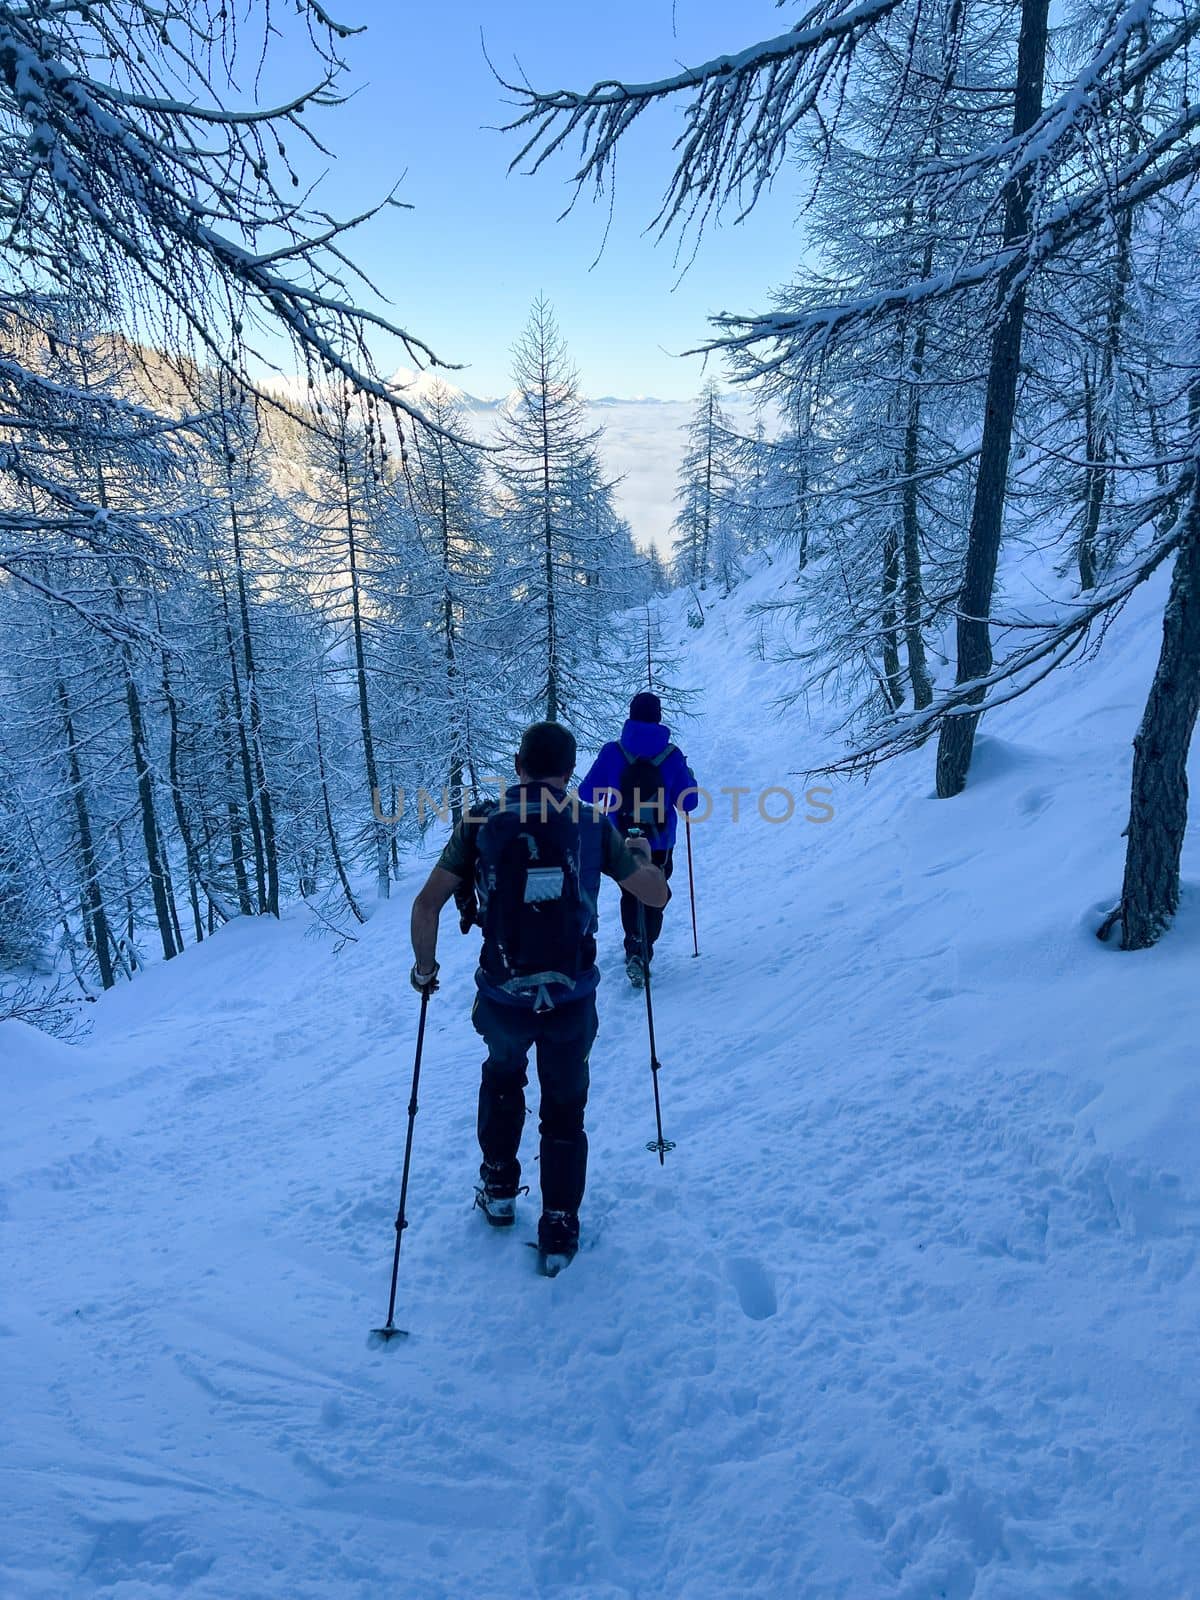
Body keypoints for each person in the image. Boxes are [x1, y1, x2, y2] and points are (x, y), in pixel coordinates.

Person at [409, 720, 669, 1272]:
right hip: (572, 996)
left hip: (503, 994)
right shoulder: (591, 822)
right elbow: (655, 894)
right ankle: (558, 1225)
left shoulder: (481, 819)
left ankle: (500, 1190)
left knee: (503, 1077)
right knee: (565, 1109)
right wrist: (643, 858)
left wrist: (424, 970)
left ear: (520, 765)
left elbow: (427, 904)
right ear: (569, 772)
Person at [578, 691, 698, 987]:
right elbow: (689, 803)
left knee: (630, 891)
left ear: (630, 717)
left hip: (621, 839)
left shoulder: (612, 752)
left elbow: (586, 794)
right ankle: (643, 949)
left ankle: (634, 944)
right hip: (659, 843)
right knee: (654, 890)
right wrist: (689, 777)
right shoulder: (672, 756)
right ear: (659, 718)